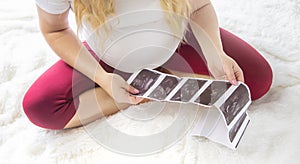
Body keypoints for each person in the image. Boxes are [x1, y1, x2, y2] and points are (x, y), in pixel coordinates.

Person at [22, 0, 273, 130]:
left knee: (256, 80)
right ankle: (138, 89)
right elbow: (55, 29)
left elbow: (200, 6)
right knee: (41, 107)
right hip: (107, 57)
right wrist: (103, 79)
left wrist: (214, 53)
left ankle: (156, 77)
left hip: (178, 42)